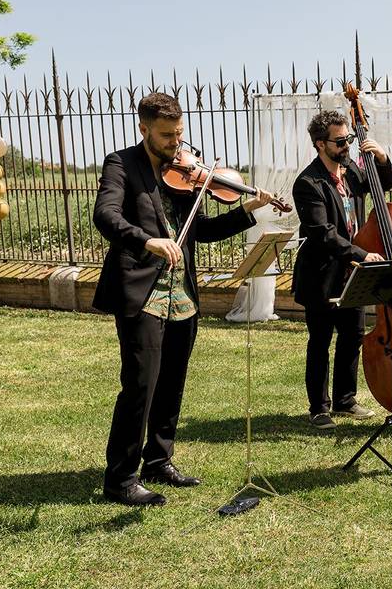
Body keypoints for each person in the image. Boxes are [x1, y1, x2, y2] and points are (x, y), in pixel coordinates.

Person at [93, 92, 276, 506]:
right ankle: (120, 478)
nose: (176, 144)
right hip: (142, 292)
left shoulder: (185, 171)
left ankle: (159, 460)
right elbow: (106, 215)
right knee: (140, 384)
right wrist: (148, 241)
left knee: (172, 382)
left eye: (179, 134)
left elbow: (201, 232)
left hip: (182, 296)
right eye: (166, 136)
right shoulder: (121, 164)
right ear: (144, 129)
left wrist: (248, 209)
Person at [291, 109, 392, 429]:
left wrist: (382, 158)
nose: (347, 144)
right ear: (321, 144)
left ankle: (345, 399)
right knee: (320, 341)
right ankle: (319, 408)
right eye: (340, 141)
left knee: (352, 336)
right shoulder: (308, 183)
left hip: (351, 273)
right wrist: (363, 254)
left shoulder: (349, 169)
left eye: (349, 138)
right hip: (321, 275)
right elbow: (323, 234)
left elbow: (383, 185)